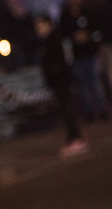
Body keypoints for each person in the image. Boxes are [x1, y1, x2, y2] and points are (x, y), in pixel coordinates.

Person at [36, 14, 88, 156]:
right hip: (58, 80)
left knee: (67, 109)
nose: (38, 29)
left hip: (61, 80)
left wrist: (57, 71)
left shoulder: (55, 39)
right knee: (65, 110)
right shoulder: (48, 40)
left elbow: (62, 60)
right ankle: (73, 138)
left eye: (40, 25)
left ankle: (75, 138)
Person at [62, 0, 109, 121]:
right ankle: (89, 112)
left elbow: (97, 29)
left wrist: (88, 36)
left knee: (95, 82)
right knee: (82, 85)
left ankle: (102, 109)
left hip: (90, 53)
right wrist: (74, 37)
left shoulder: (88, 12)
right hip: (76, 56)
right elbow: (64, 34)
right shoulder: (65, 16)